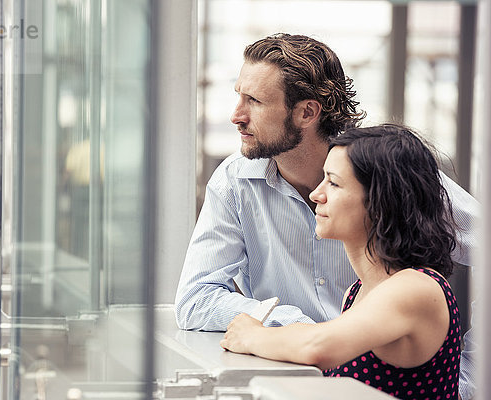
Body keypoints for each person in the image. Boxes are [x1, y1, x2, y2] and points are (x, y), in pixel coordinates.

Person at [174, 34, 478, 399]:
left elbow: (319, 346)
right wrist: (290, 326)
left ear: (307, 111)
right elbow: (196, 301)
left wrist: (471, 377)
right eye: (239, 95)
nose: (236, 115)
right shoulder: (358, 292)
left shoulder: (385, 174)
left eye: (254, 100)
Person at [220, 124, 461, 399]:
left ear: (380, 200)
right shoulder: (357, 292)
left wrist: (251, 335)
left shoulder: (415, 288)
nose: (316, 195)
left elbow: (317, 346)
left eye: (333, 183)